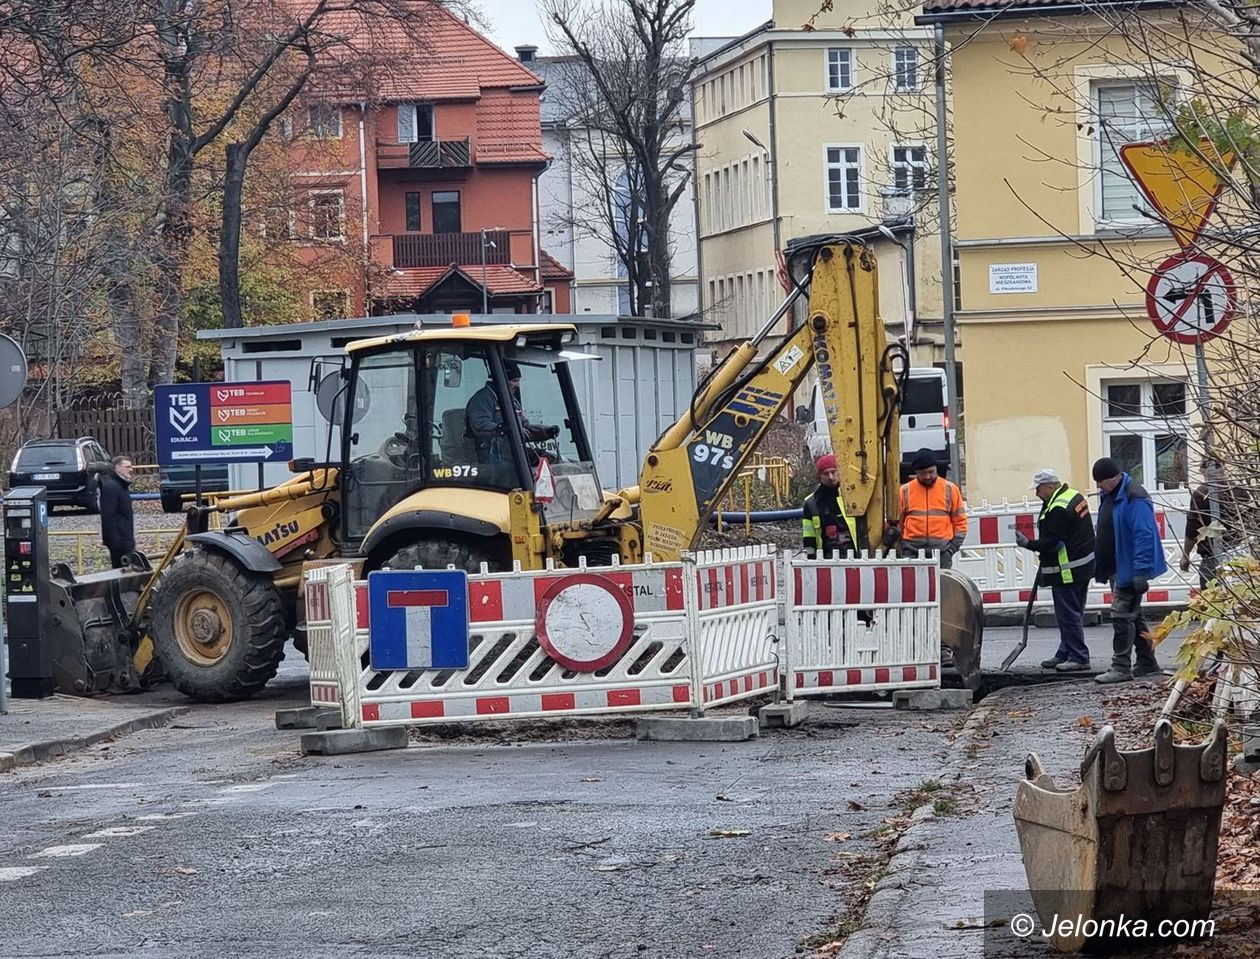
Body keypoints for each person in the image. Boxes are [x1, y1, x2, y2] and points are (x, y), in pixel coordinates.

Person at [1091, 457, 1167, 684]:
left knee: (1121, 615)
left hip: (1129, 568)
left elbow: (1143, 534)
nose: (1098, 486)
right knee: (1134, 615)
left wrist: (1140, 572)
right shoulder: (1113, 495)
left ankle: (1121, 667)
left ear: (1113, 478)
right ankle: (1147, 662)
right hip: (1118, 566)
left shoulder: (1135, 496)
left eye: (1100, 481)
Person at [1015, 468, 1096, 672]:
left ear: (1050, 487)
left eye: (1039, 490)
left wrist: (1028, 544)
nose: (1037, 494)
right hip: (1082, 566)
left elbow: (1053, 542)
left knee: (1068, 614)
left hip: (1067, 570)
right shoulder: (1073, 496)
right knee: (1073, 612)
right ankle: (1065, 651)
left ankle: (1078, 656)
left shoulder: (1058, 508)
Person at [465, 362, 558, 474]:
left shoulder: (512, 401)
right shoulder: (482, 399)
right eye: (514, 381)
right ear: (502, 380)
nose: (518, 385)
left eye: (518, 380)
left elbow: (524, 426)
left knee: (550, 461)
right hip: (490, 453)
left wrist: (545, 431)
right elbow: (479, 425)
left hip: (512, 451)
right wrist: (505, 429)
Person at [891, 450, 968, 568]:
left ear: (936, 468)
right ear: (916, 472)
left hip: (941, 552)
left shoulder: (950, 489)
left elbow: (960, 522)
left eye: (931, 472)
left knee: (941, 585)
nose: (927, 476)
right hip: (912, 552)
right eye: (923, 473)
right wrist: (903, 546)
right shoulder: (905, 491)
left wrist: (951, 550)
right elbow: (897, 522)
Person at [1181, 459, 1244, 589]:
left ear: (1202, 470)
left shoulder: (1201, 493)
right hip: (1240, 554)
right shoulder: (1238, 490)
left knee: (1212, 601)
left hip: (1211, 556)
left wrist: (1186, 556)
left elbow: (1192, 529)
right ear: (1223, 468)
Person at [802, 454, 858, 559]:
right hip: (825, 558)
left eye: (833, 472)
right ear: (820, 476)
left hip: (855, 557)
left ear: (839, 472)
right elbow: (808, 537)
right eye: (826, 474)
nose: (830, 477)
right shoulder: (811, 503)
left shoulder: (853, 497)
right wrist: (810, 560)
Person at [99, 454, 135, 568]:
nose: (131, 469)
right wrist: (115, 541)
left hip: (124, 537)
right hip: (119, 540)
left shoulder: (120, 485)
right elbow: (108, 515)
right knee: (121, 570)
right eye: (127, 467)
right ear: (117, 467)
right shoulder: (112, 487)